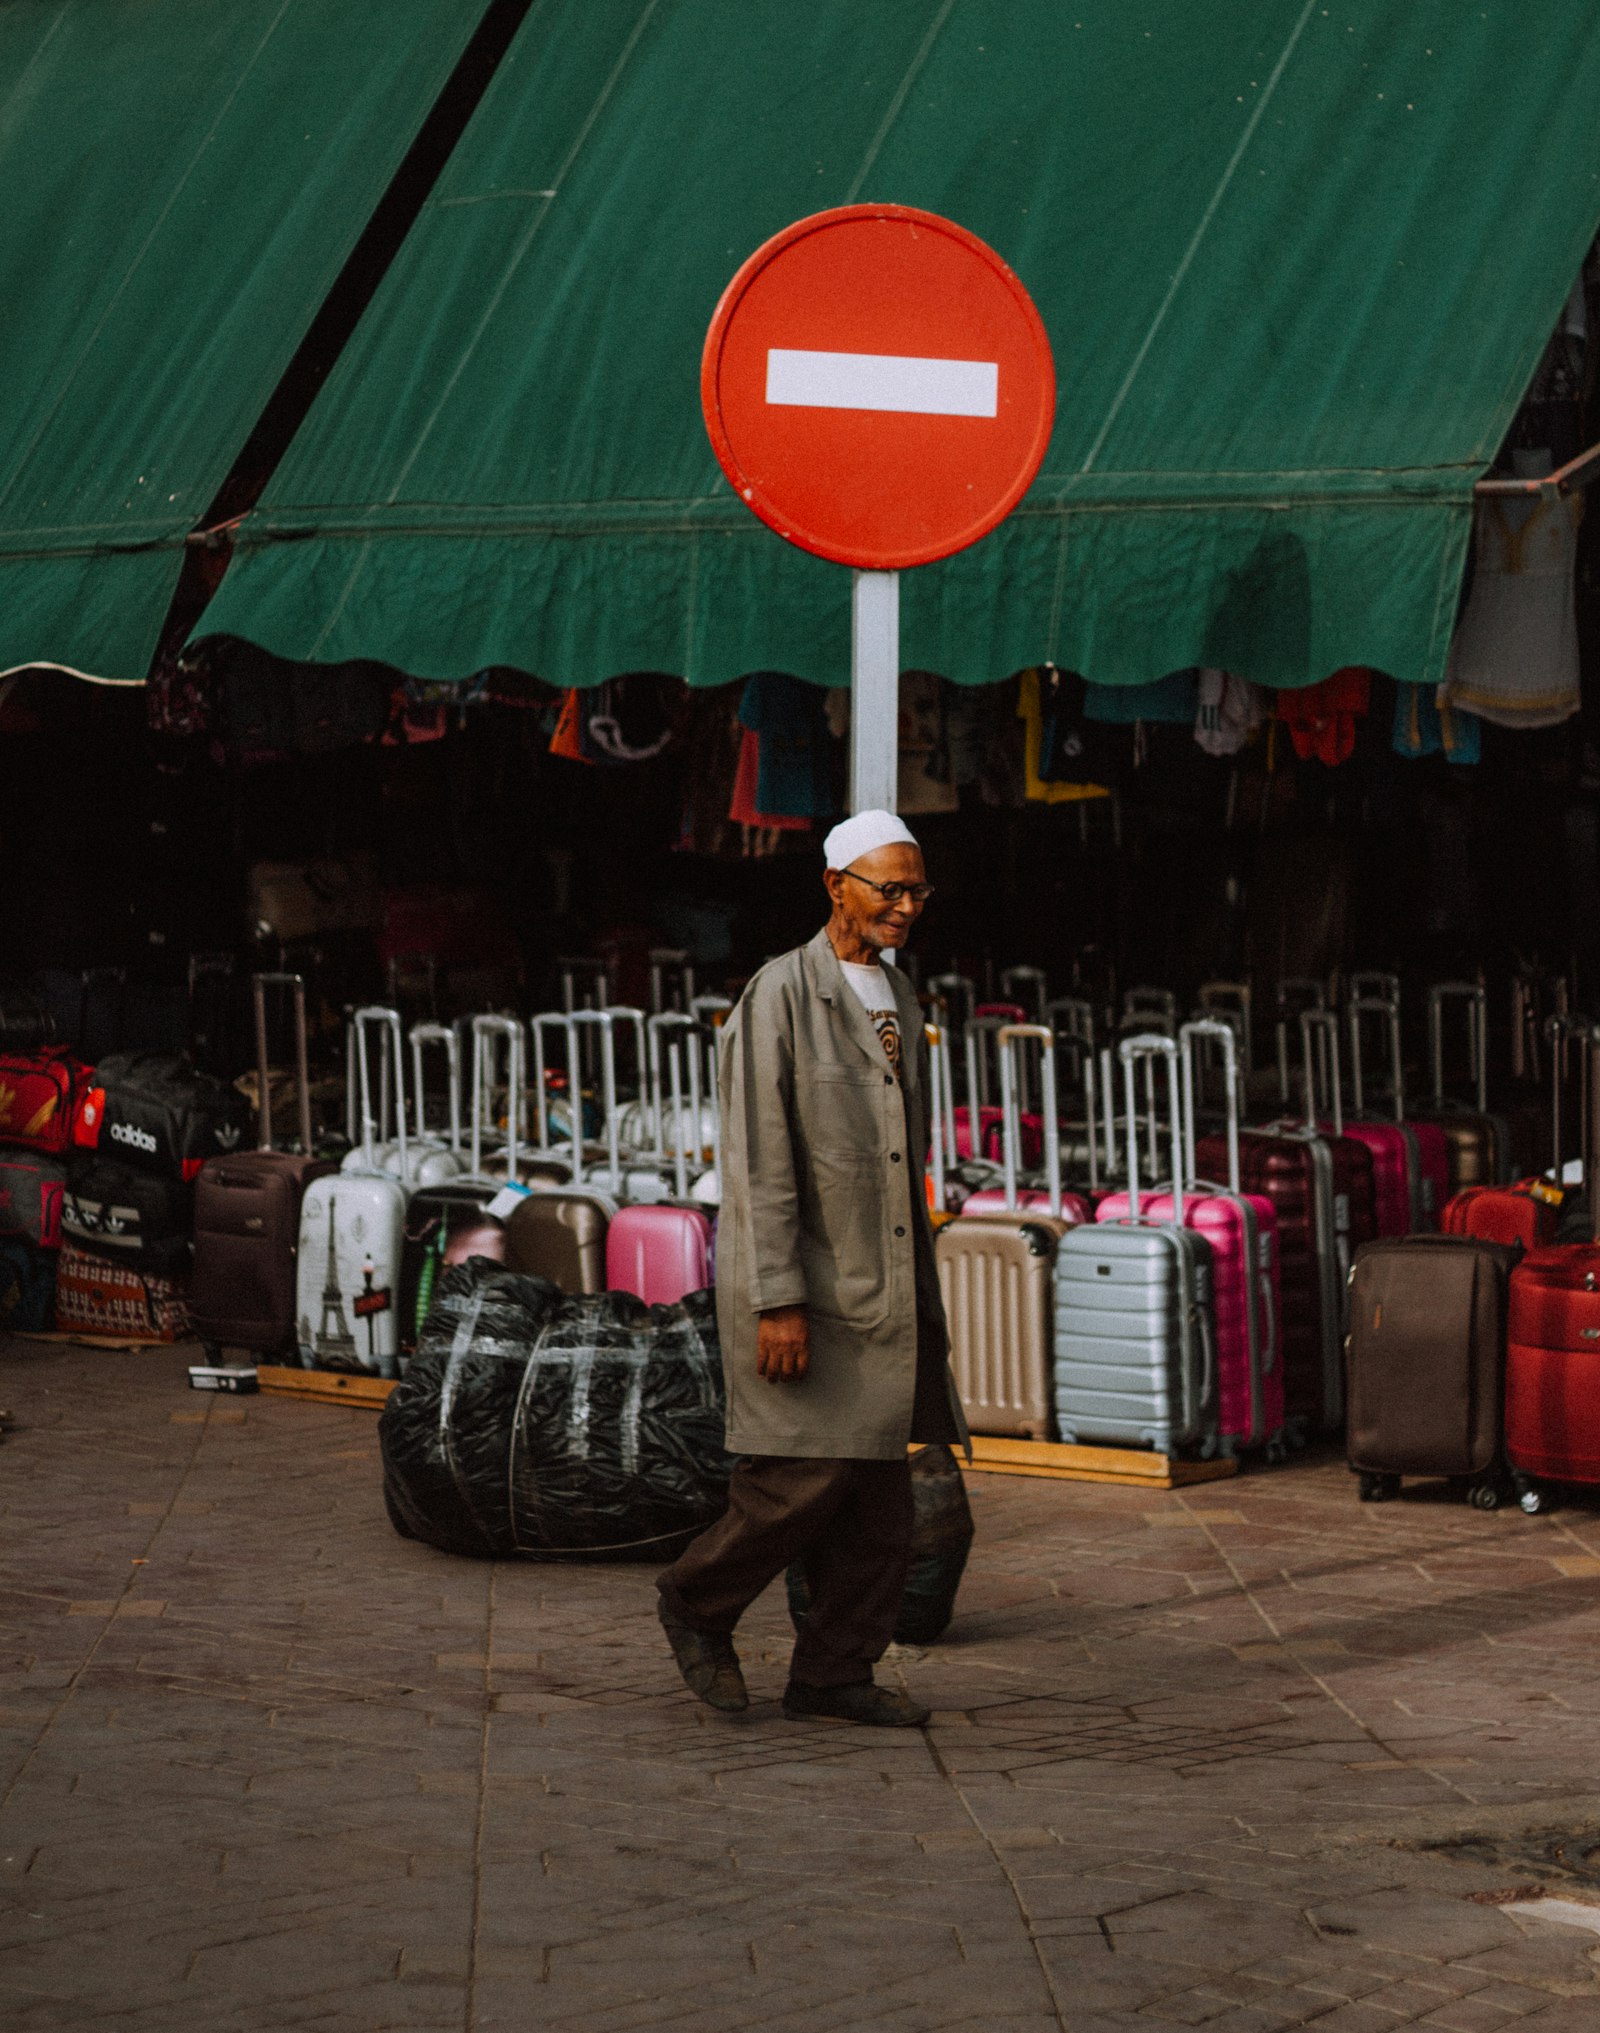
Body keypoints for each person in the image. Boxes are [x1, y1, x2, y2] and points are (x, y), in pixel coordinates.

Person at [656, 808, 966, 1727]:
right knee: (798, 1479)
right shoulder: (779, 995)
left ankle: (833, 1671)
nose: (905, 906)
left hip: (887, 1291)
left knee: (879, 1503)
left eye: (917, 890)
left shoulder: (900, 999)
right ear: (835, 886)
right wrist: (779, 1299)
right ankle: (696, 1600)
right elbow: (760, 1162)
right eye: (889, 887)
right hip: (810, 1290)